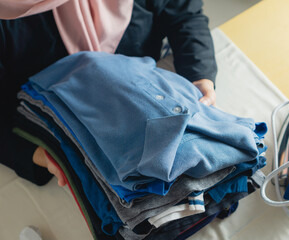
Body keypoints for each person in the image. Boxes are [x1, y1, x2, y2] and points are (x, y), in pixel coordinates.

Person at [0, 0, 217, 187]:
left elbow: (184, 14)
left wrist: (199, 73)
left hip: (149, 99)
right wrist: (37, 155)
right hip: (57, 133)